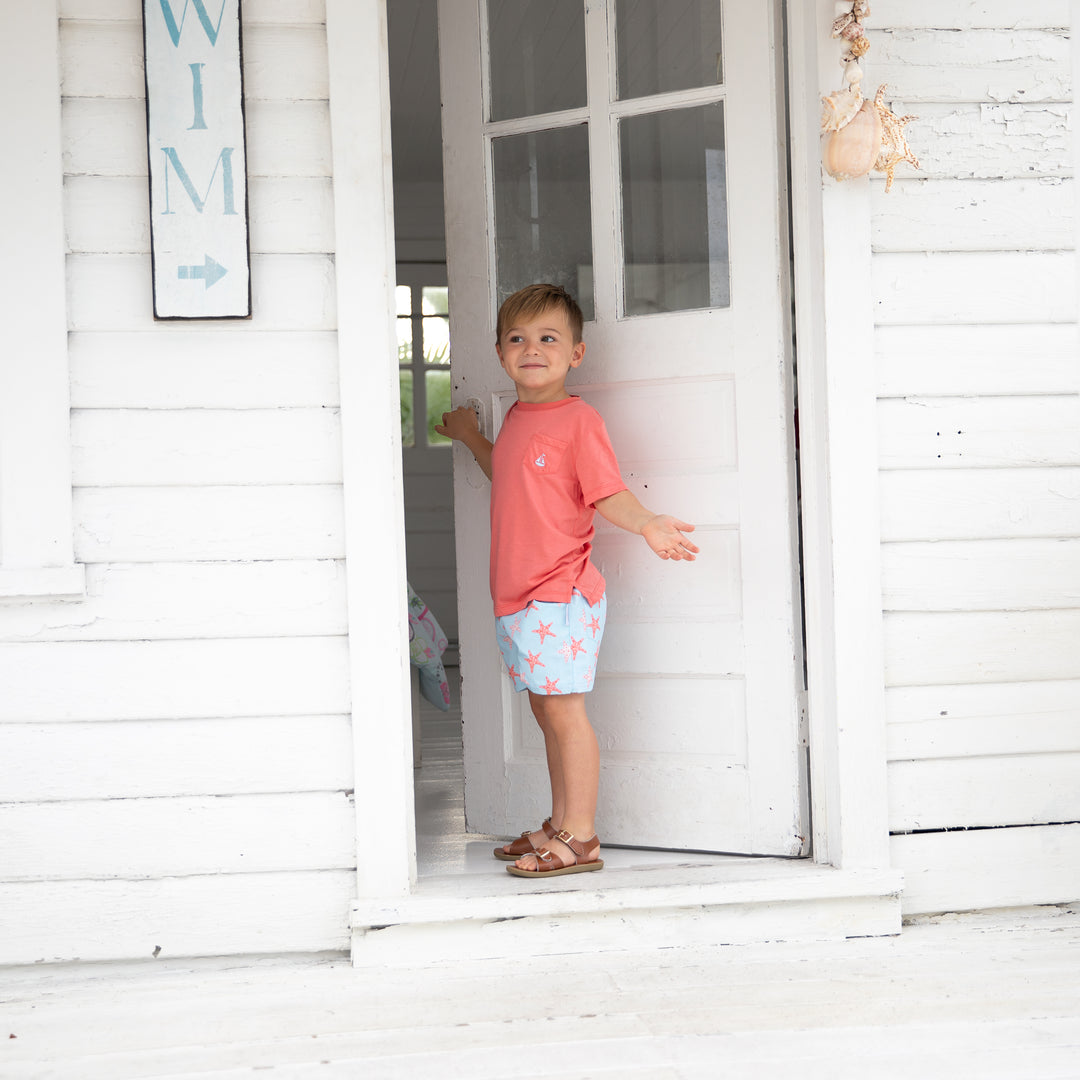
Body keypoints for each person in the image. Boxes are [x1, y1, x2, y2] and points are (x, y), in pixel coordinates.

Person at [435, 283, 698, 879]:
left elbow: (607, 493)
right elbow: (507, 472)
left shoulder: (578, 422)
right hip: (519, 600)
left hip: (559, 598)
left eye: (548, 338)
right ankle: (560, 823)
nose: (533, 348)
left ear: (575, 354)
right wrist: (472, 436)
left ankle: (581, 838)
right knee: (547, 714)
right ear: (501, 352)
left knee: (565, 716)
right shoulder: (521, 420)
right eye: (518, 339)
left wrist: (648, 522)